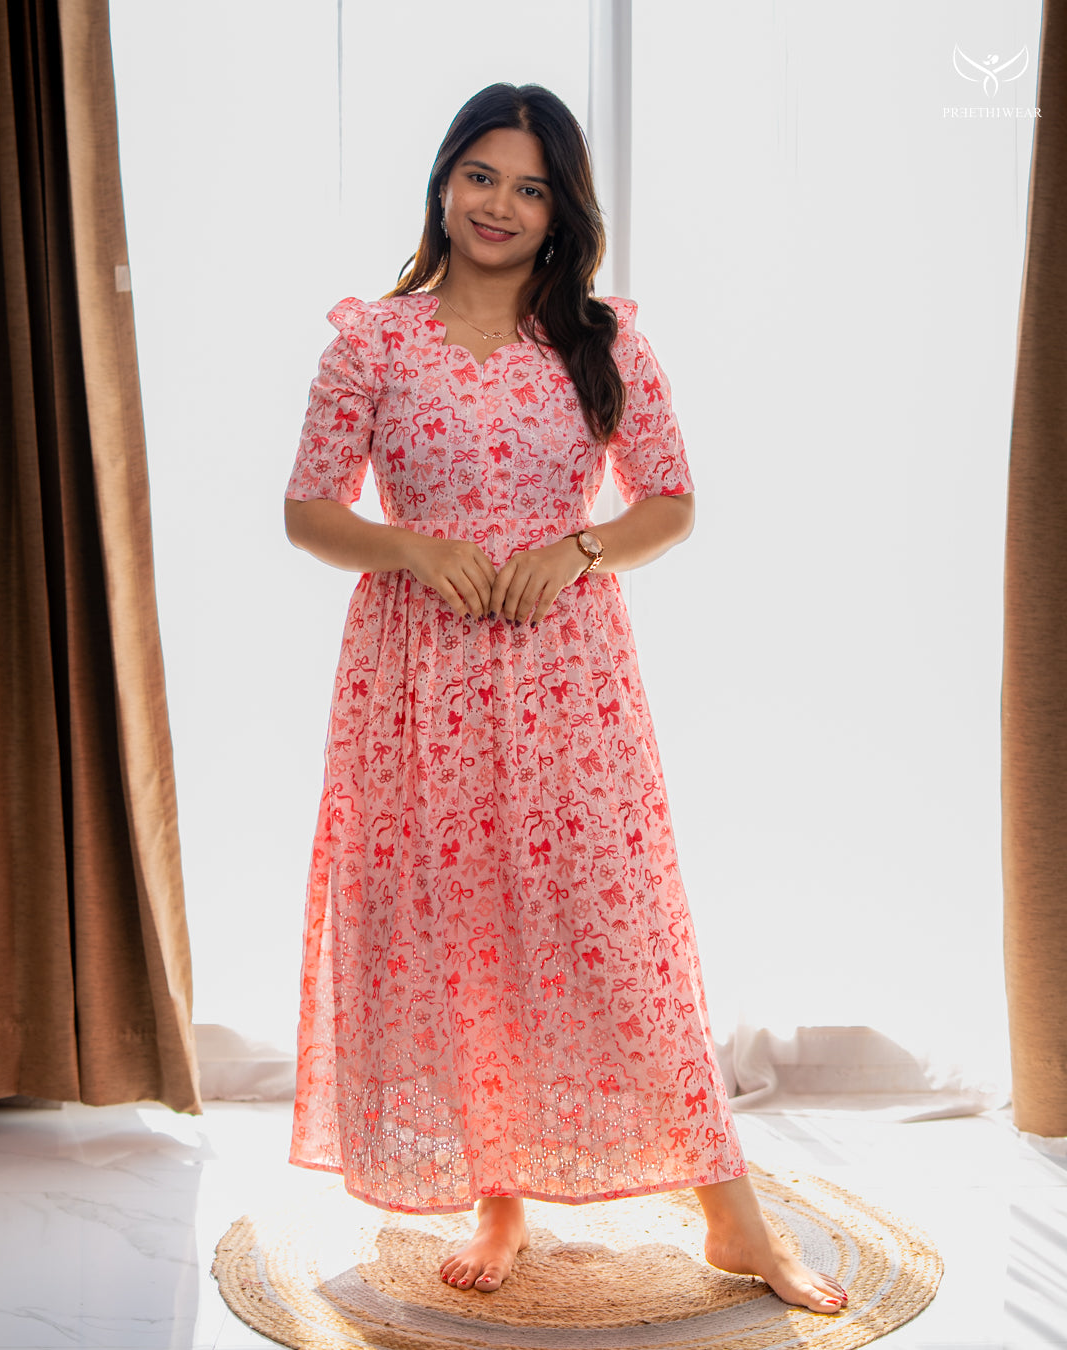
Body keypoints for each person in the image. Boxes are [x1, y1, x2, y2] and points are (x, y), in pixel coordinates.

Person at [283, 82, 847, 1316]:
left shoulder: (600, 341)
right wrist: (410, 547)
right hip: (415, 682)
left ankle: (730, 1215)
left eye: (531, 188)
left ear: (562, 210)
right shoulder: (373, 342)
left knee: (614, 934)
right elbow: (309, 510)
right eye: (481, 175)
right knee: (453, 929)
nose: (500, 204)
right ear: (444, 181)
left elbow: (670, 502)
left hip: (567, 683)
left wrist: (580, 549)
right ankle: (497, 1194)